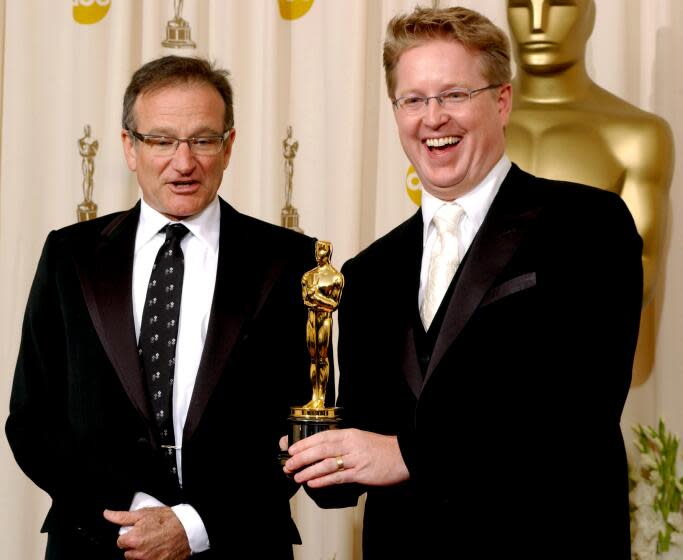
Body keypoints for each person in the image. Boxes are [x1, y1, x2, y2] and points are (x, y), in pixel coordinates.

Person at [284, 6, 642, 558]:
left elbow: (580, 411)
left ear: (501, 101)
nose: (433, 118)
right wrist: (322, 457)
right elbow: (368, 447)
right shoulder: (368, 271)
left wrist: (409, 455)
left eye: (454, 95)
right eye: (414, 100)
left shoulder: (589, 223)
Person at [6, 55, 314, 559]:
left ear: (229, 145)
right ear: (130, 147)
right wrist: (133, 511)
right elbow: (32, 421)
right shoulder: (69, 257)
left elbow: (302, 429)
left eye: (203, 139)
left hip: (238, 543)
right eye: (162, 140)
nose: (184, 161)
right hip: (95, 540)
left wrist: (192, 526)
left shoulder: (289, 261)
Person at [506, 0, 673, 383]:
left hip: (586, 379)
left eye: (558, 5)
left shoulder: (636, 135)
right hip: (473, 380)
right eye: (520, 6)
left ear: (590, 13)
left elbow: (637, 274)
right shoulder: (463, 125)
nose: (536, 23)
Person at [301, 240, 344, 410]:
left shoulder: (335, 277)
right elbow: (305, 299)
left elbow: (333, 304)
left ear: (327, 253)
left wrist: (316, 297)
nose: (318, 254)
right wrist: (313, 299)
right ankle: (315, 397)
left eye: (321, 250)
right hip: (311, 319)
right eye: (317, 250)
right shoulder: (308, 276)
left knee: (323, 358)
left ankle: (322, 398)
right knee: (313, 358)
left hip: (324, 319)